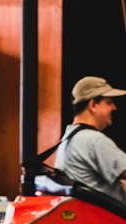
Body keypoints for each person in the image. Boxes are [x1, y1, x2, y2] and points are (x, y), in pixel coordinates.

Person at [53, 76, 126, 204]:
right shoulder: (93, 140)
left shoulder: (69, 137)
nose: (114, 108)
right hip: (108, 218)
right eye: (109, 102)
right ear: (92, 105)